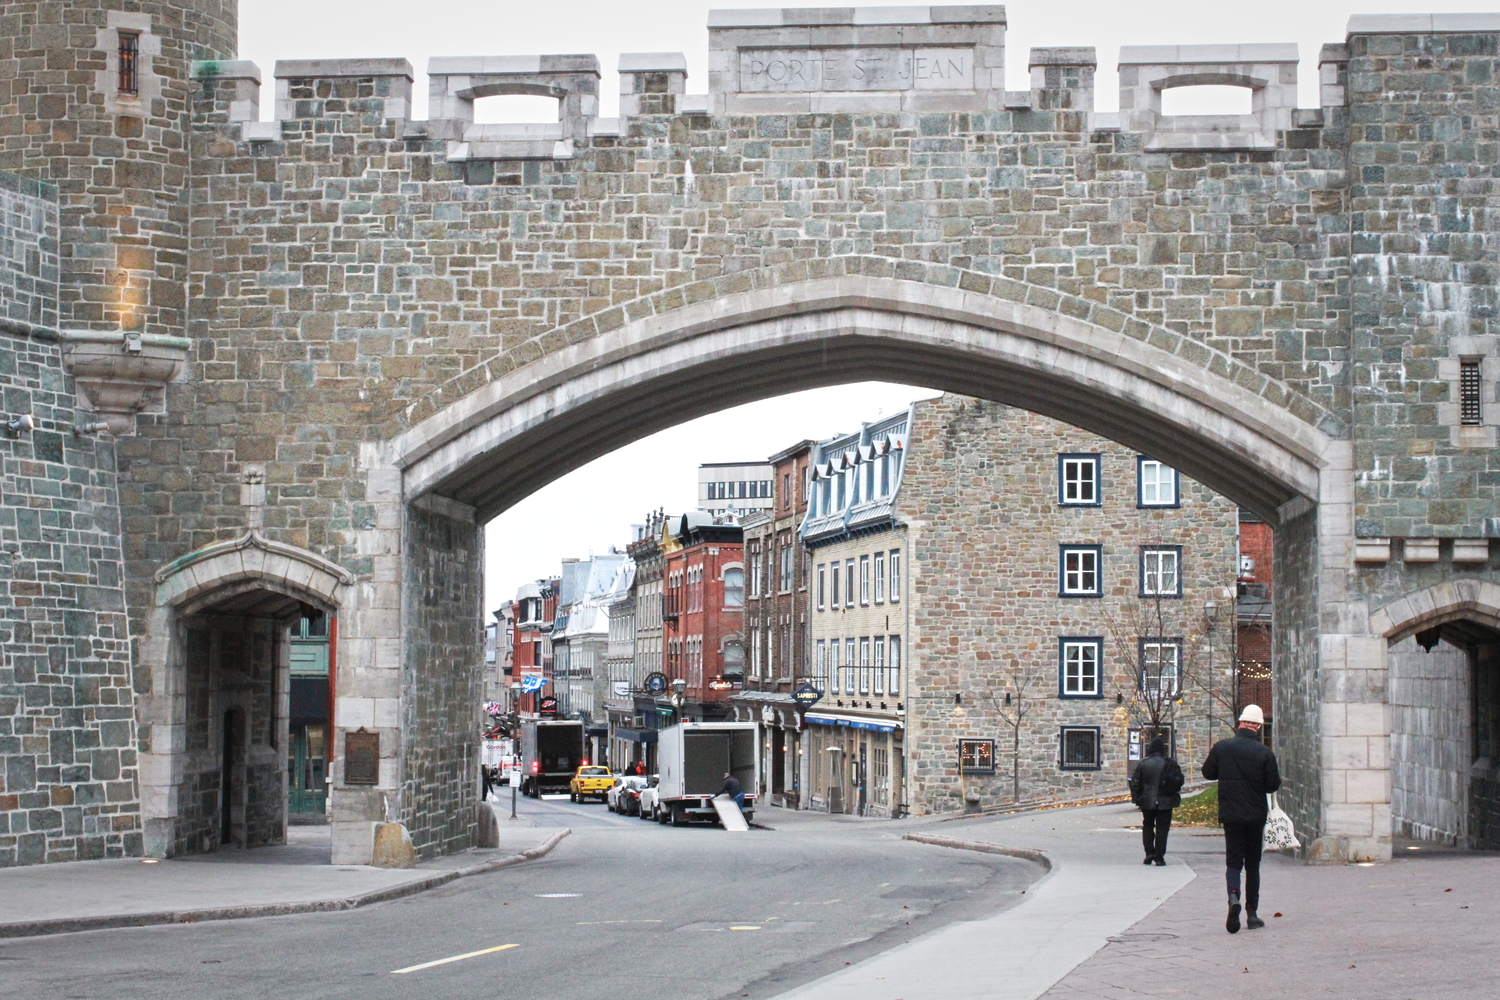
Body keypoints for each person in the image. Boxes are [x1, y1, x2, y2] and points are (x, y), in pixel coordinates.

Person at [1202, 704, 1281, 934]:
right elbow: (1272, 785)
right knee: (1253, 865)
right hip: (1255, 816)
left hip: (1231, 814)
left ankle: (1233, 897)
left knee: (1234, 863)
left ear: (1239, 723)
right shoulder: (1265, 753)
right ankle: (1252, 913)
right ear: (1258, 726)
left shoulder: (1222, 747)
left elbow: (1208, 773)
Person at [1129, 735, 1184, 866]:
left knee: (1147, 826)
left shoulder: (1143, 764)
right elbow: (1178, 781)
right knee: (1162, 829)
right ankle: (1159, 856)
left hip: (1147, 801)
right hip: (1166, 801)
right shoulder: (1170, 763)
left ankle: (1149, 852)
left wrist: (1137, 798)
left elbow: (1135, 783)